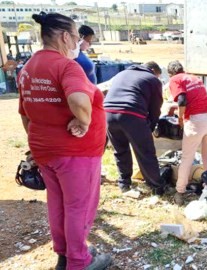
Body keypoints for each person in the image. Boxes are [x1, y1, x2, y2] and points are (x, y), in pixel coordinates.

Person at [18, 12, 112, 270]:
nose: (77, 42)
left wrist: (39, 141)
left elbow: (25, 114)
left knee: (58, 203)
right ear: (64, 36)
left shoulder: (28, 68)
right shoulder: (66, 66)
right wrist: (83, 122)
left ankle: (66, 254)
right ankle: (79, 262)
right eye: (75, 36)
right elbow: (79, 100)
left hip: (45, 150)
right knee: (79, 207)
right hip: (75, 152)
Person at [104, 61, 166, 195]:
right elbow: (155, 108)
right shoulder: (152, 80)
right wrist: (150, 127)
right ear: (154, 71)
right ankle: (156, 186)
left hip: (108, 114)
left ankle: (124, 183)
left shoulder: (122, 74)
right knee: (145, 152)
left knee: (120, 150)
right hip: (131, 114)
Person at [167, 60, 207, 205]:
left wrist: (181, 118)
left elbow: (182, 100)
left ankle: (180, 191)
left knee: (187, 158)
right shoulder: (194, 77)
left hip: (197, 120)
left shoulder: (174, 79)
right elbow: (192, 98)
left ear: (170, 73)